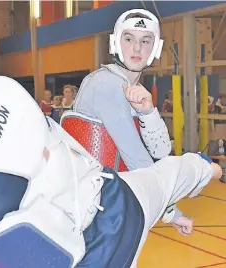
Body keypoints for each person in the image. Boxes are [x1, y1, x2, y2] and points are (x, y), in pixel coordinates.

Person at [0, 21, 223, 268]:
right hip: (119, 201)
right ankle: (210, 167)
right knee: (174, 171)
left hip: (87, 256)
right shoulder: (4, 89)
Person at [61, 9, 190, 233]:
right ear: (116, 43)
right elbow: (137, 159)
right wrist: (171, 212)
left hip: (103, 206)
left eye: (145, 41)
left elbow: (161, 149)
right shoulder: (106, 84)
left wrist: (148, 112)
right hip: (88, 211)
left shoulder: (135, 92)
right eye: (129, 39)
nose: (137, 48)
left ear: (155, 49)